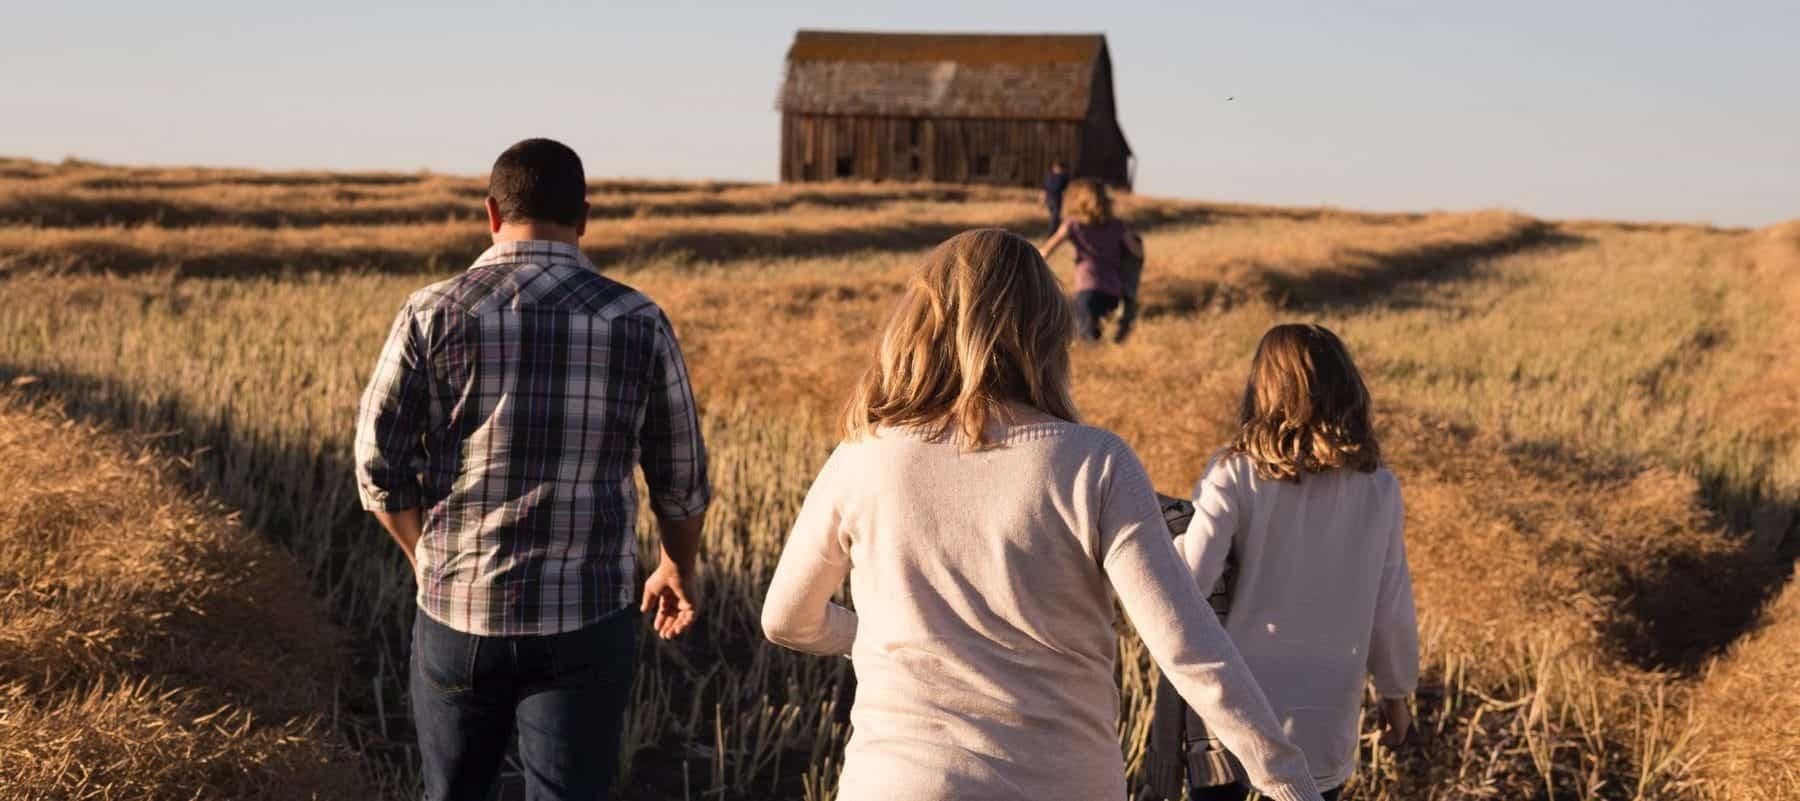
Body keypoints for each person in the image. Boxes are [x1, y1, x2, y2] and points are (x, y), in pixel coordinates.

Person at [759, 229, 1324, 801]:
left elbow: (786, 619)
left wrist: (884, 637)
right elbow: (1187, 649)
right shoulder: (1095, 463)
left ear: (920, 324)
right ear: (1048, 331)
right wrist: (1287, 782)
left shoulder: (863, 455)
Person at [354, 138, 711, 801]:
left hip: (458, 613)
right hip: (586, 618)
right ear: (584, 217)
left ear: (492, 213)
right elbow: (681, 481)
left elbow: (378, 468)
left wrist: (424, 556)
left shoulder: (432, 312)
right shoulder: (638, 320)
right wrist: (676, 566)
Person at [1165, 324, 1419, 800]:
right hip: (1328, 705)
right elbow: (1392, 602)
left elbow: (1190, 581)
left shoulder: (1233, 471)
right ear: (1348, 389)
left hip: (1238, 705)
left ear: (1262, 389)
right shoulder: (1379, 487)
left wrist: (1169, 534)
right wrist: (1395, 693)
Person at [1040, 178, 1144, 342]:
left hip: (1087, 288)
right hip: (1113, 291)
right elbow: (1137, 252)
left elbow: (1045, 251)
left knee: (1086, 340)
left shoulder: (1072, 225)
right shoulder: (1117, 226)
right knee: (1104, 338)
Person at [1043, 160, 1071, 235]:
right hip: (1056, 199)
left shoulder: (1049, 176)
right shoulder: (1064, 176)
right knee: (1055, 218)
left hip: (1049, 199)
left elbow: (1044, 190)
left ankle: (1055, 232)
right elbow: (1067, 190)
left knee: (1054, 217)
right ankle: (1051, 233)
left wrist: (1042, 200)